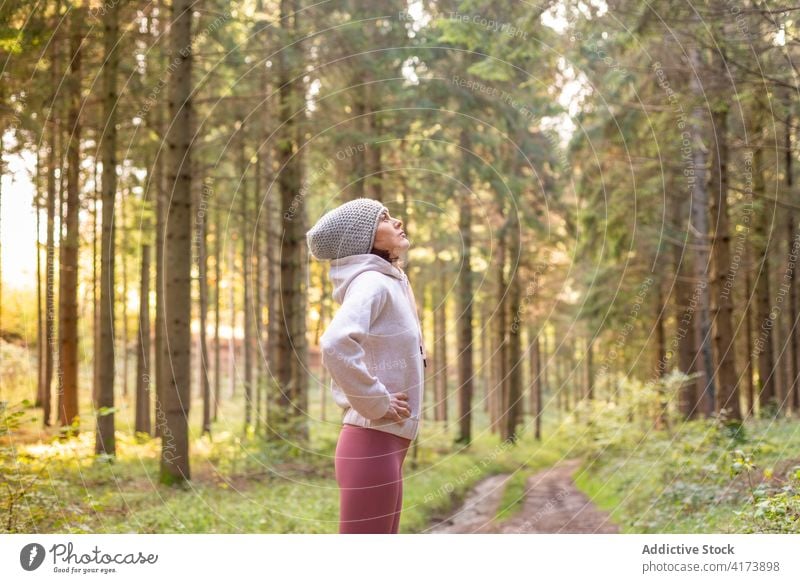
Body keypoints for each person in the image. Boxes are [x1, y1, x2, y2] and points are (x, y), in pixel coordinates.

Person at [306, 197, 427, 534]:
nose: (397, 221)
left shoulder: (389, 280)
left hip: (387, 445)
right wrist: (376, 401)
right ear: (364, 239)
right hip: (371, 444)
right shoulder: (371, 282)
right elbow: (335, 343)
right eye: (385, 219)